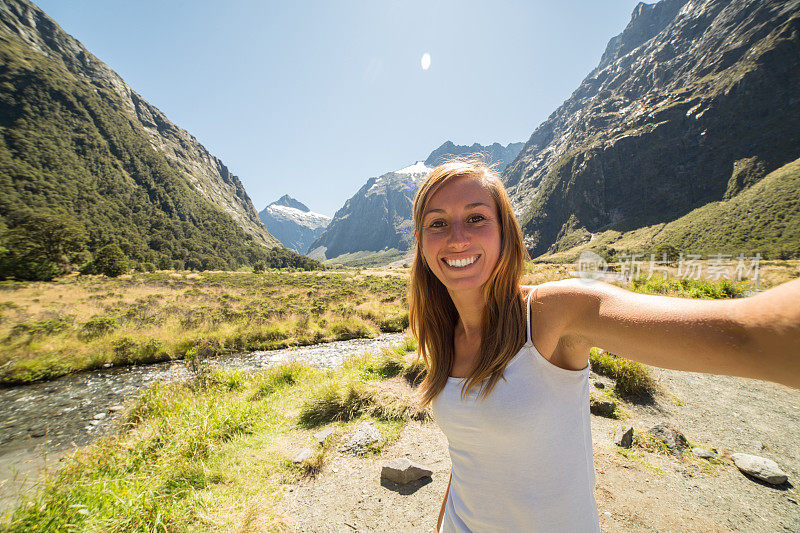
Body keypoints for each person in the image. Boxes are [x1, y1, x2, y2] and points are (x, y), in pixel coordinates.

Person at [406, 160, 800, 532]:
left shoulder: (553, 313)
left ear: (505, 231)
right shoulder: (444, 335)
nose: (458, 238)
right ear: (422, 243)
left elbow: (746, 334)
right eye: (438, 223)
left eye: (476, 217)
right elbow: (469, 457)